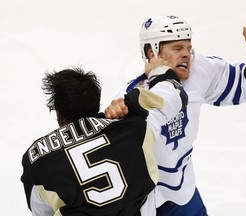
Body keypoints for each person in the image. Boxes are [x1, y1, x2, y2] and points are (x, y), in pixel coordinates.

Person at [104, 15, 246, 215]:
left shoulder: (199, 71)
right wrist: (110, 118)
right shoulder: (130, 99)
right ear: (152, 52)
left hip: (185, 194)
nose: (186, 54)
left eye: (188, 47)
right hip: (147, 204)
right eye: (177, 48)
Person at [20, 64, 188, 216]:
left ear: (57, 112)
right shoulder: (135, 126)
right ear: (97, 104)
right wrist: (158, 69)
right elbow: (174, 92)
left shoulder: (36, 160)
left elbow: (42, 211)